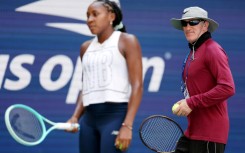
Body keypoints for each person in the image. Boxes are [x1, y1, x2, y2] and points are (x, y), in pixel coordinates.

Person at [66, 0, 143, 153]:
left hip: (115, 117)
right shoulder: (85, 48)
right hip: (89, 120)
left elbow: (137, 86)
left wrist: (127, 126)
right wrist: (75, 116)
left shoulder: (127, 41)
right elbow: (85, 88)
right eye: (87, 16)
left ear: (111, 16)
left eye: (95, 14)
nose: (89, 20)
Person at [170, 6, 235, 153]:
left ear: (205, 25)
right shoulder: (193, 53)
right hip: (192, 132)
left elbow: (228, 88)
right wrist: (187, 103)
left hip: (209, 135)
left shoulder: (213, 49)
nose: (188, 27)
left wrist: (191, 102)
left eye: (193, 22)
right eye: (184, 23)